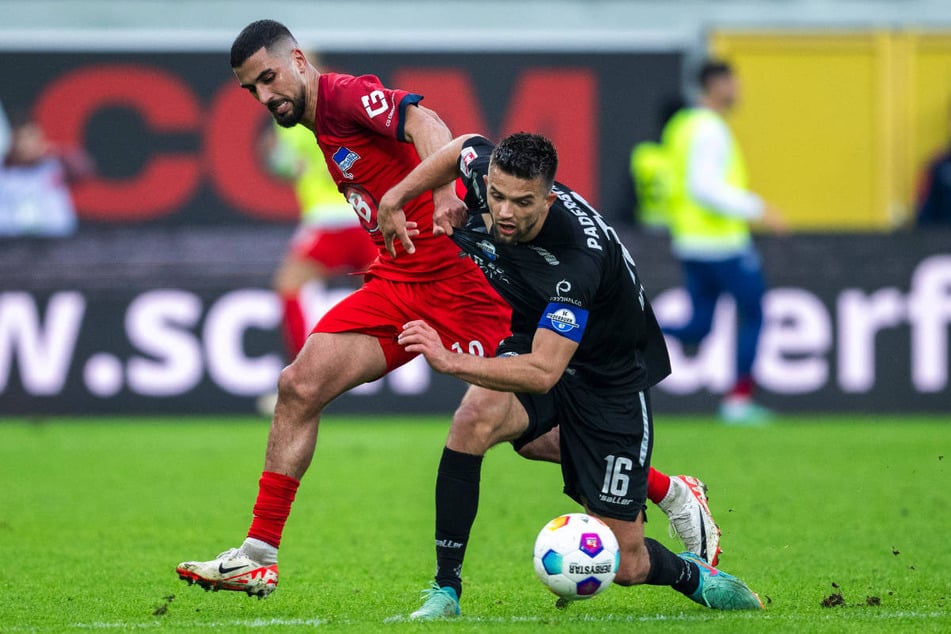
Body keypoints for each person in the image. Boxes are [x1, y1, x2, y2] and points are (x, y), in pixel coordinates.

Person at [175, 19, 722, 602]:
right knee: (299, 385)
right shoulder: (315, 124)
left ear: (299, 61)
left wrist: (437, 195)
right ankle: (258, 555)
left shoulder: (340, 94)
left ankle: (667, 489)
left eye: (269, 78)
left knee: (527, 434)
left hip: (466, 288)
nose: (264, 96)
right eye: (251, 89)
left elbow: (427, 123)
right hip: (399, 282)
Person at [384, 132, 762, 618]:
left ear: (550, 198)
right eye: (496, 196)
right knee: (474, 418)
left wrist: (448, 359)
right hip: (537, 334)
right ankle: (445, 590)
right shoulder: (488, 176)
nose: (502, 213)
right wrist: (401, 197)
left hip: (609, 378)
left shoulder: (576, 261)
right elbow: (462, 147)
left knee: (625, 563)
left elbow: (543, 373)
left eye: (522, 203)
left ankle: (694, 573)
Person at [659, 59, 786, 425]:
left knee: (700, 325)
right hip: (722, 244)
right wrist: (758, 208)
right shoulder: (709, 128)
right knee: (754, 312)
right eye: (733, 82)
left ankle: (637, 324)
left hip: (690, 240)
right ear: (716, 84)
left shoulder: (681, 126)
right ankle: (739, 401)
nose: (738, 90)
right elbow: (704, 188)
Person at [0, 114, 93, 237]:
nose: (25, 144)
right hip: (11, 245)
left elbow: (84, 171)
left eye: (30, 137)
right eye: (19, 138)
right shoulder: (4, 170)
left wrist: (56, 151)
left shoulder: (56, 164)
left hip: (55, 242)